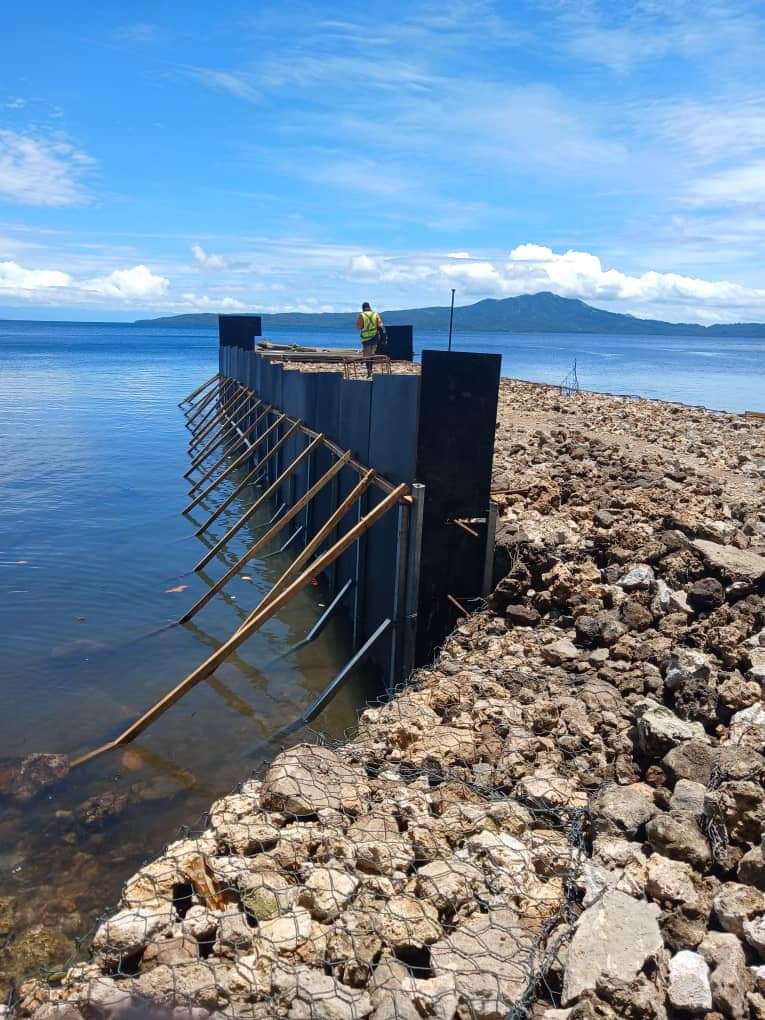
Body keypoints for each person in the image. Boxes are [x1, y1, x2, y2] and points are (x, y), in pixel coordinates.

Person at [356, 302, 385, 377]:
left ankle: (369, 371)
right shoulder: (375, 314)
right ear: (369, 307)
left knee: (366, 356)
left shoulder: (361, 315)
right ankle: (371, 369)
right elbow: (380, 325)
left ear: (363, 308)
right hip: (375, 337)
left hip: (366, 339)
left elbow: (359, 327)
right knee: (372, 355)